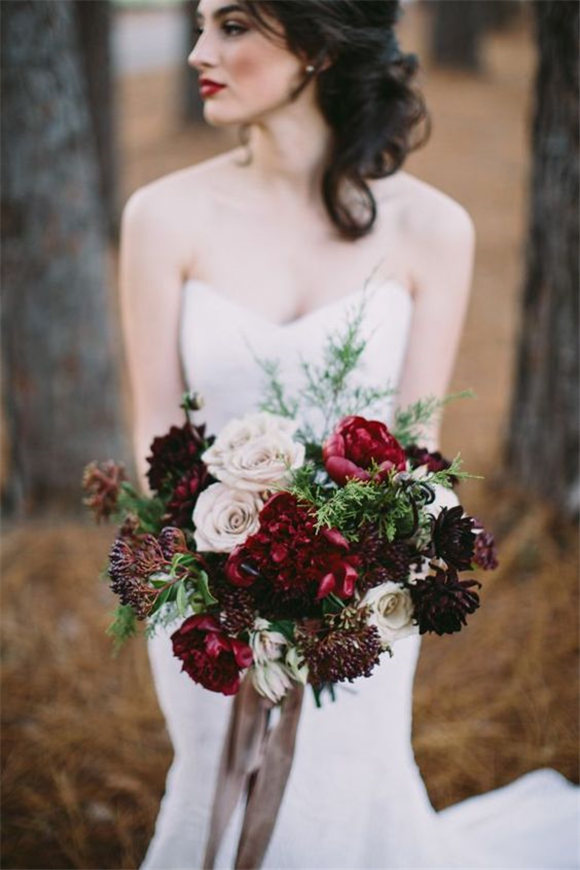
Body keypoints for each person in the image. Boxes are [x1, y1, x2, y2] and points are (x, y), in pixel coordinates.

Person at [119, 2, 579, 867]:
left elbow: (418, 448)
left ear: (319, 44)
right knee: (213, 795)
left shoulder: (433, 228)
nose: (196, 52)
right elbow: (155, 430)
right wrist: (209, 578)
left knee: (342, 806)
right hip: (205, 602)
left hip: (360, 605)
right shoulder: (161, 217)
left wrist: (358, 580)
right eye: (200, 22)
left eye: (233, 27)